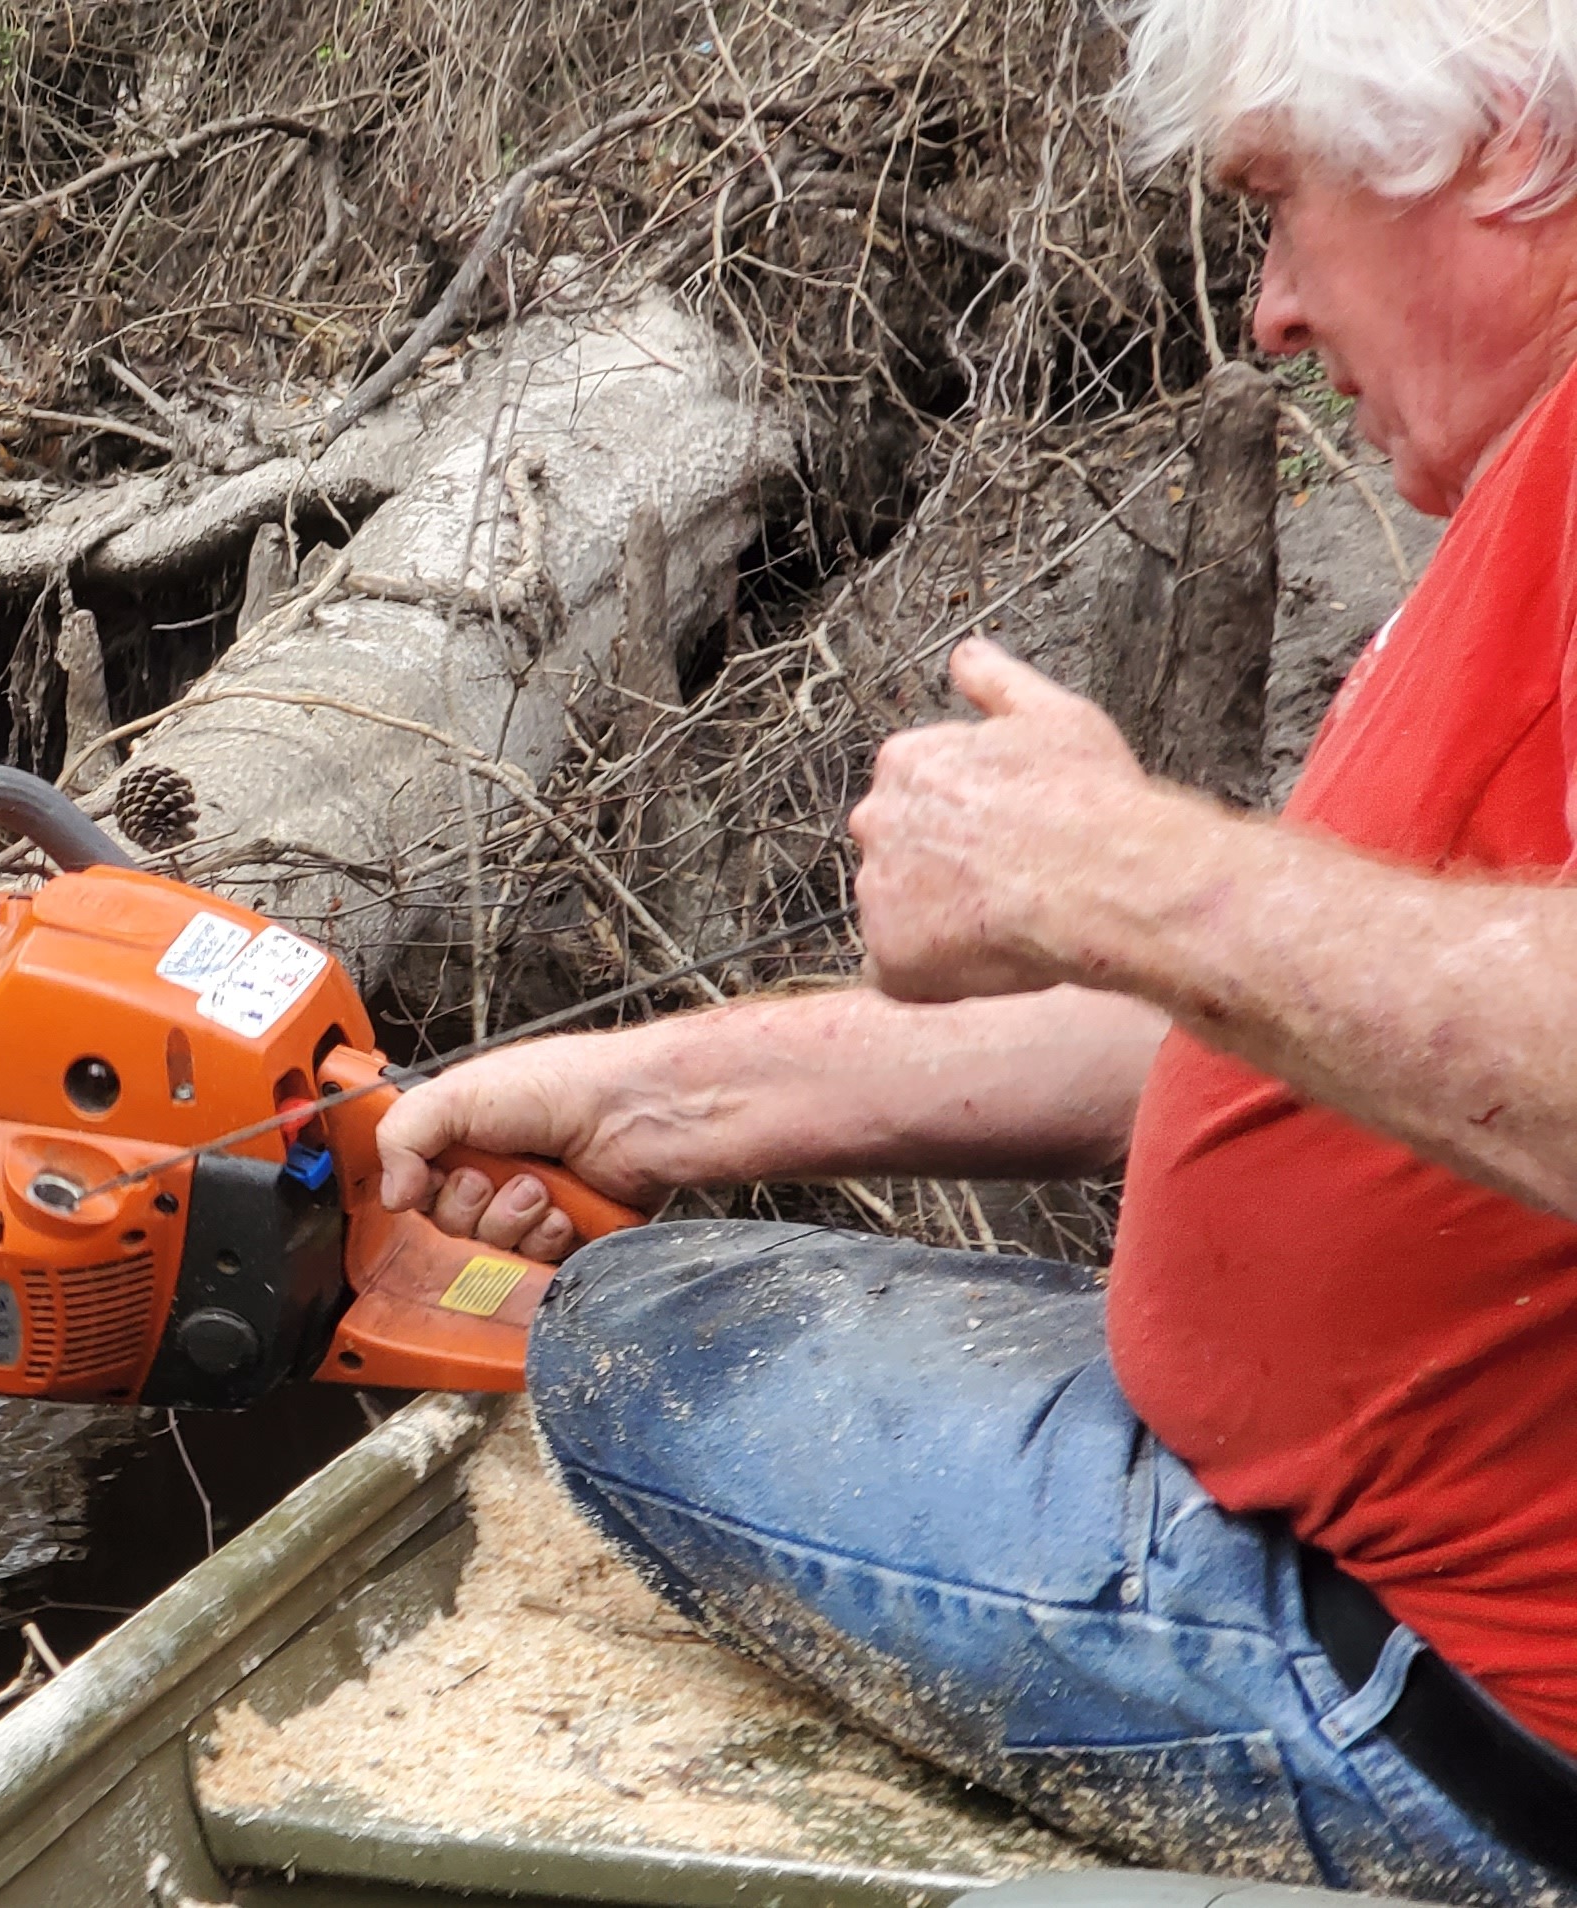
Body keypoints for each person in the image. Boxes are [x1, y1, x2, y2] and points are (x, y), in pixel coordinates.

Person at [369, 3, 1577, 1897]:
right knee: (690, 1255)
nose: (1264, 307)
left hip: (1442, 1688)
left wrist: (1119, 875)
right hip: (1394, 1558)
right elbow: (1324, 1012)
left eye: (1278, 205)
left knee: (630, 1336)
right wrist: (663, 1093)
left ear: (1506, 141)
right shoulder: (1530, 484)